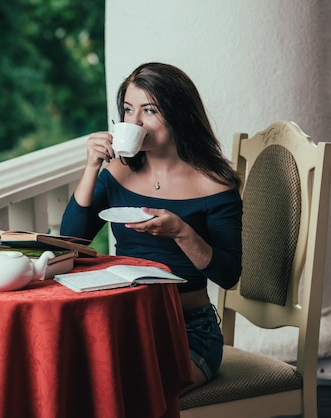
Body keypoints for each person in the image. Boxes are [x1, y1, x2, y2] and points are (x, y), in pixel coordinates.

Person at [60, 62, 242, 392]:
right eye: (128, 110)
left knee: (126, 394)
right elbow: (71, 240)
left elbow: (228, 274)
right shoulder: (118, 172)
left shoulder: (212, 184)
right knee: (68, 382)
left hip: (188, 331)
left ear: (178, 115)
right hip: (124, 323)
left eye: (149, 110)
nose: (135, 122)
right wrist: (91, 167)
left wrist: (182, 232)